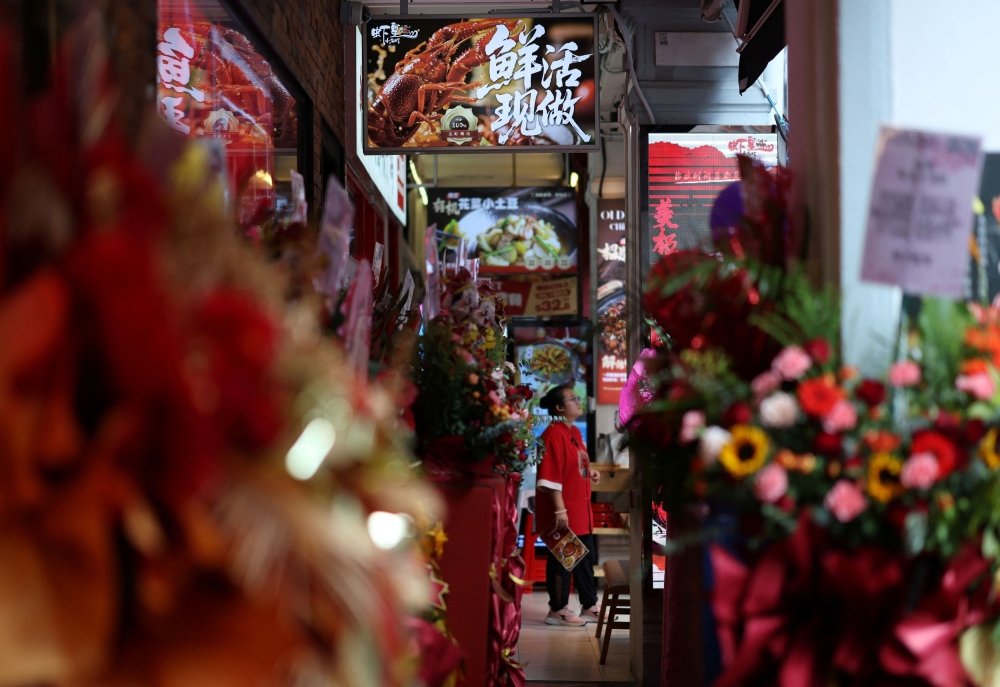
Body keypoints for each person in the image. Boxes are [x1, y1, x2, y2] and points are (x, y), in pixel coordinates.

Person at [535, 385, 601, 626]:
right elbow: (550, 476)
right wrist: (559, 509)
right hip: (564, 511)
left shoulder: (573, 432)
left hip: (580, 510)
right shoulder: (552, 435)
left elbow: (576, 462)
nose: (578, 401)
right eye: (573, 399)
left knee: (585, 558)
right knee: (564, 560)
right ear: (560, 407)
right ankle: (558, 609)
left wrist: (590, 472)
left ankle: (589, 605)